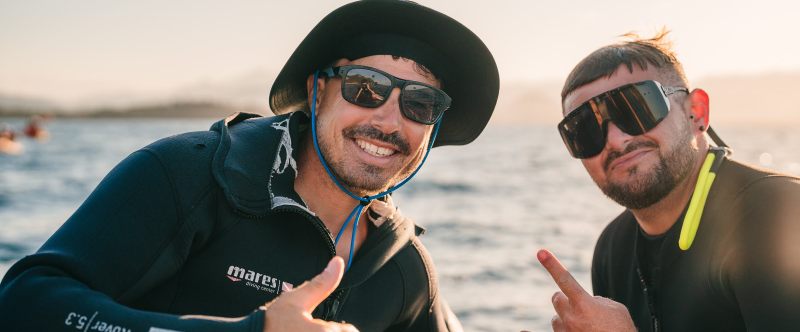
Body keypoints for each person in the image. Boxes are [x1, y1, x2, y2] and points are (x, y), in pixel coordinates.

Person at [0, 1, 499, 331]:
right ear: (317, 90)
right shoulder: (188, 175)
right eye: (365, 87)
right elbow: (23, 302)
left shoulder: (403, 268)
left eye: (420, 103)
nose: (389, 120)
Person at [537, 31, 800, 331]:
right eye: (584, 130)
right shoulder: (613, 249)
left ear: (696, 113)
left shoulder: (779, 214)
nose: (616, 140)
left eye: (636, 108)